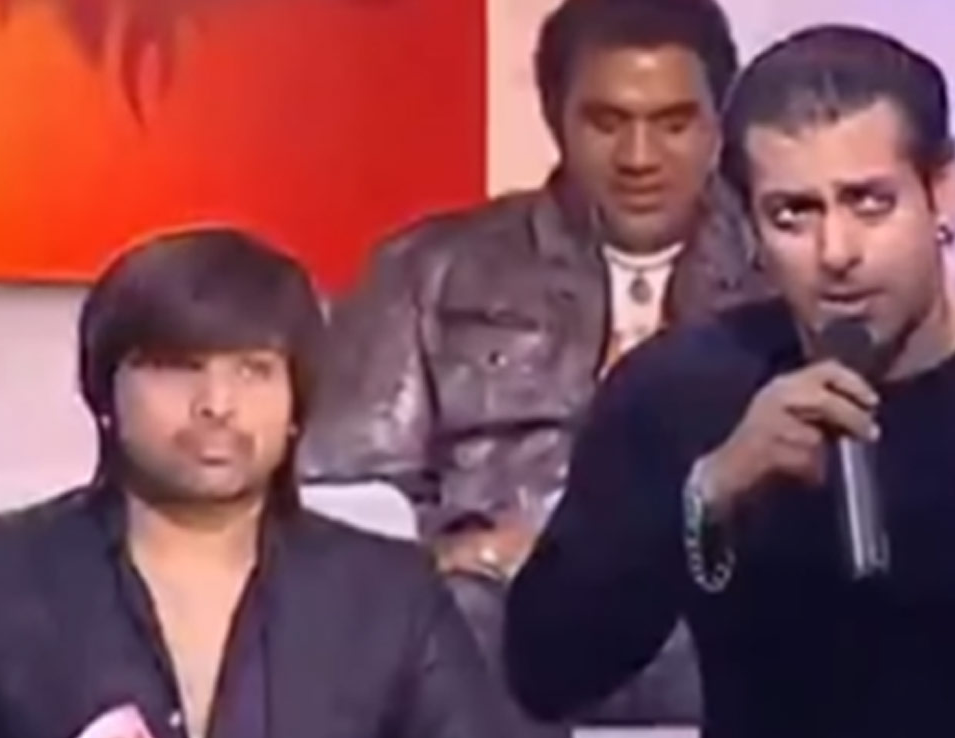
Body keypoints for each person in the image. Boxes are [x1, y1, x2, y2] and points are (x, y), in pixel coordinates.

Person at [504, 25, 955, 737]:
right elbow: (547, 673)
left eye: (869, 202)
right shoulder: (677, 395)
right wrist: (706, 499)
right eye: (794, 213)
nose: (836, 252)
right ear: (751, 228)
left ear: (943, 193)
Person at [301, 0, 771, 731]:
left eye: (674, 124)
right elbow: (344, 494)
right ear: (555, 116)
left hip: (704, 617)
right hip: (492, 616)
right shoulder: (431, 268)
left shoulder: (782, 277)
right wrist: (470, 553)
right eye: (606, 122)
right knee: (450, 623)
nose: (639, 157)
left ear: (721, 123)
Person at [0, 228, 509, 738]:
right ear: (104, 394)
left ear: (297, 403)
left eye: (254, 370)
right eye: (178, 367)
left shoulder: (390, 593)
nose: (217, 404)